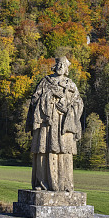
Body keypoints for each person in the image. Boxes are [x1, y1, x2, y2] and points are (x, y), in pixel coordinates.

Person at [26, 57, 83, 191]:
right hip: (47, 122)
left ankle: (64, 184)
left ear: (67, 69)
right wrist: (49, 97)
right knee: (44, 150)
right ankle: (42, 182)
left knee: (64, 151)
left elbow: (79, 103)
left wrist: (68, 108)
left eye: (63, 65)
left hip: (64, 123)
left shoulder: (71, 85)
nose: (60, 66)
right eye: (58, 64)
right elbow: (35, 99)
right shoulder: (45, 82)